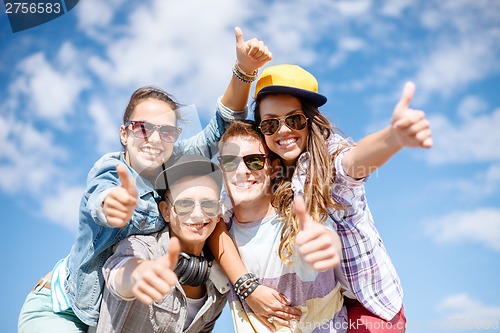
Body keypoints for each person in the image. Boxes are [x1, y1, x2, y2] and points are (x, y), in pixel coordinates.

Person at [18, 27, 272, 333]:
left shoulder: (173, 159)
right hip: (64, 307)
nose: (154, 138)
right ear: (123, 133)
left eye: (166, 131)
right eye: (142, 128)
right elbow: (101, 199)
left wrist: (244, 70)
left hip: (111, 314)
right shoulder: (111, 169)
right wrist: (112, 206)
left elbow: (219, 128)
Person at [251, 64, 432, 332]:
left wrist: (392, 137)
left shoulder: (329, 155)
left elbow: (354, 163)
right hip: (323, 307)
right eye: (270, 123)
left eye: (294, 120)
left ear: (310, 120)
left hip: (368, 305)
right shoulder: (270, 172)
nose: (283, 130)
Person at [217, 120, 348, 332]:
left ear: (274, 168)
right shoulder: (218, 234)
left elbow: (323, 237)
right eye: (230, 162)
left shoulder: (299, 218)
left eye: (255, 161)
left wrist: (324, 243)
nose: (241, 171)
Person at [94, 154, 228, 333]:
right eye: (184, 205)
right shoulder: (140, 247)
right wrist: (139, 275)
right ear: (165, 211)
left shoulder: (219, 287)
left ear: (219, 213)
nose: (197, 214)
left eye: (209, 205)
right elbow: (119, 273)